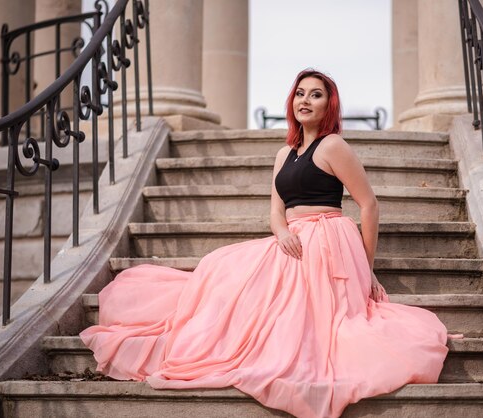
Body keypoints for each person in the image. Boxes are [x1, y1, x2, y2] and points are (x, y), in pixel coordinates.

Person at [80, 69, 450, 418]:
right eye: (300, 93)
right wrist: (283, 232)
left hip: (329, 239)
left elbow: (368, 204)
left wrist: (366, 269)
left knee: (296, 315)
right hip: (291, 238)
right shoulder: (283, 153)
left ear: (329, 105)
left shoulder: (333, 145)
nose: (305, 100)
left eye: (316, 95)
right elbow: (276, 210)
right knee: (218, 266)